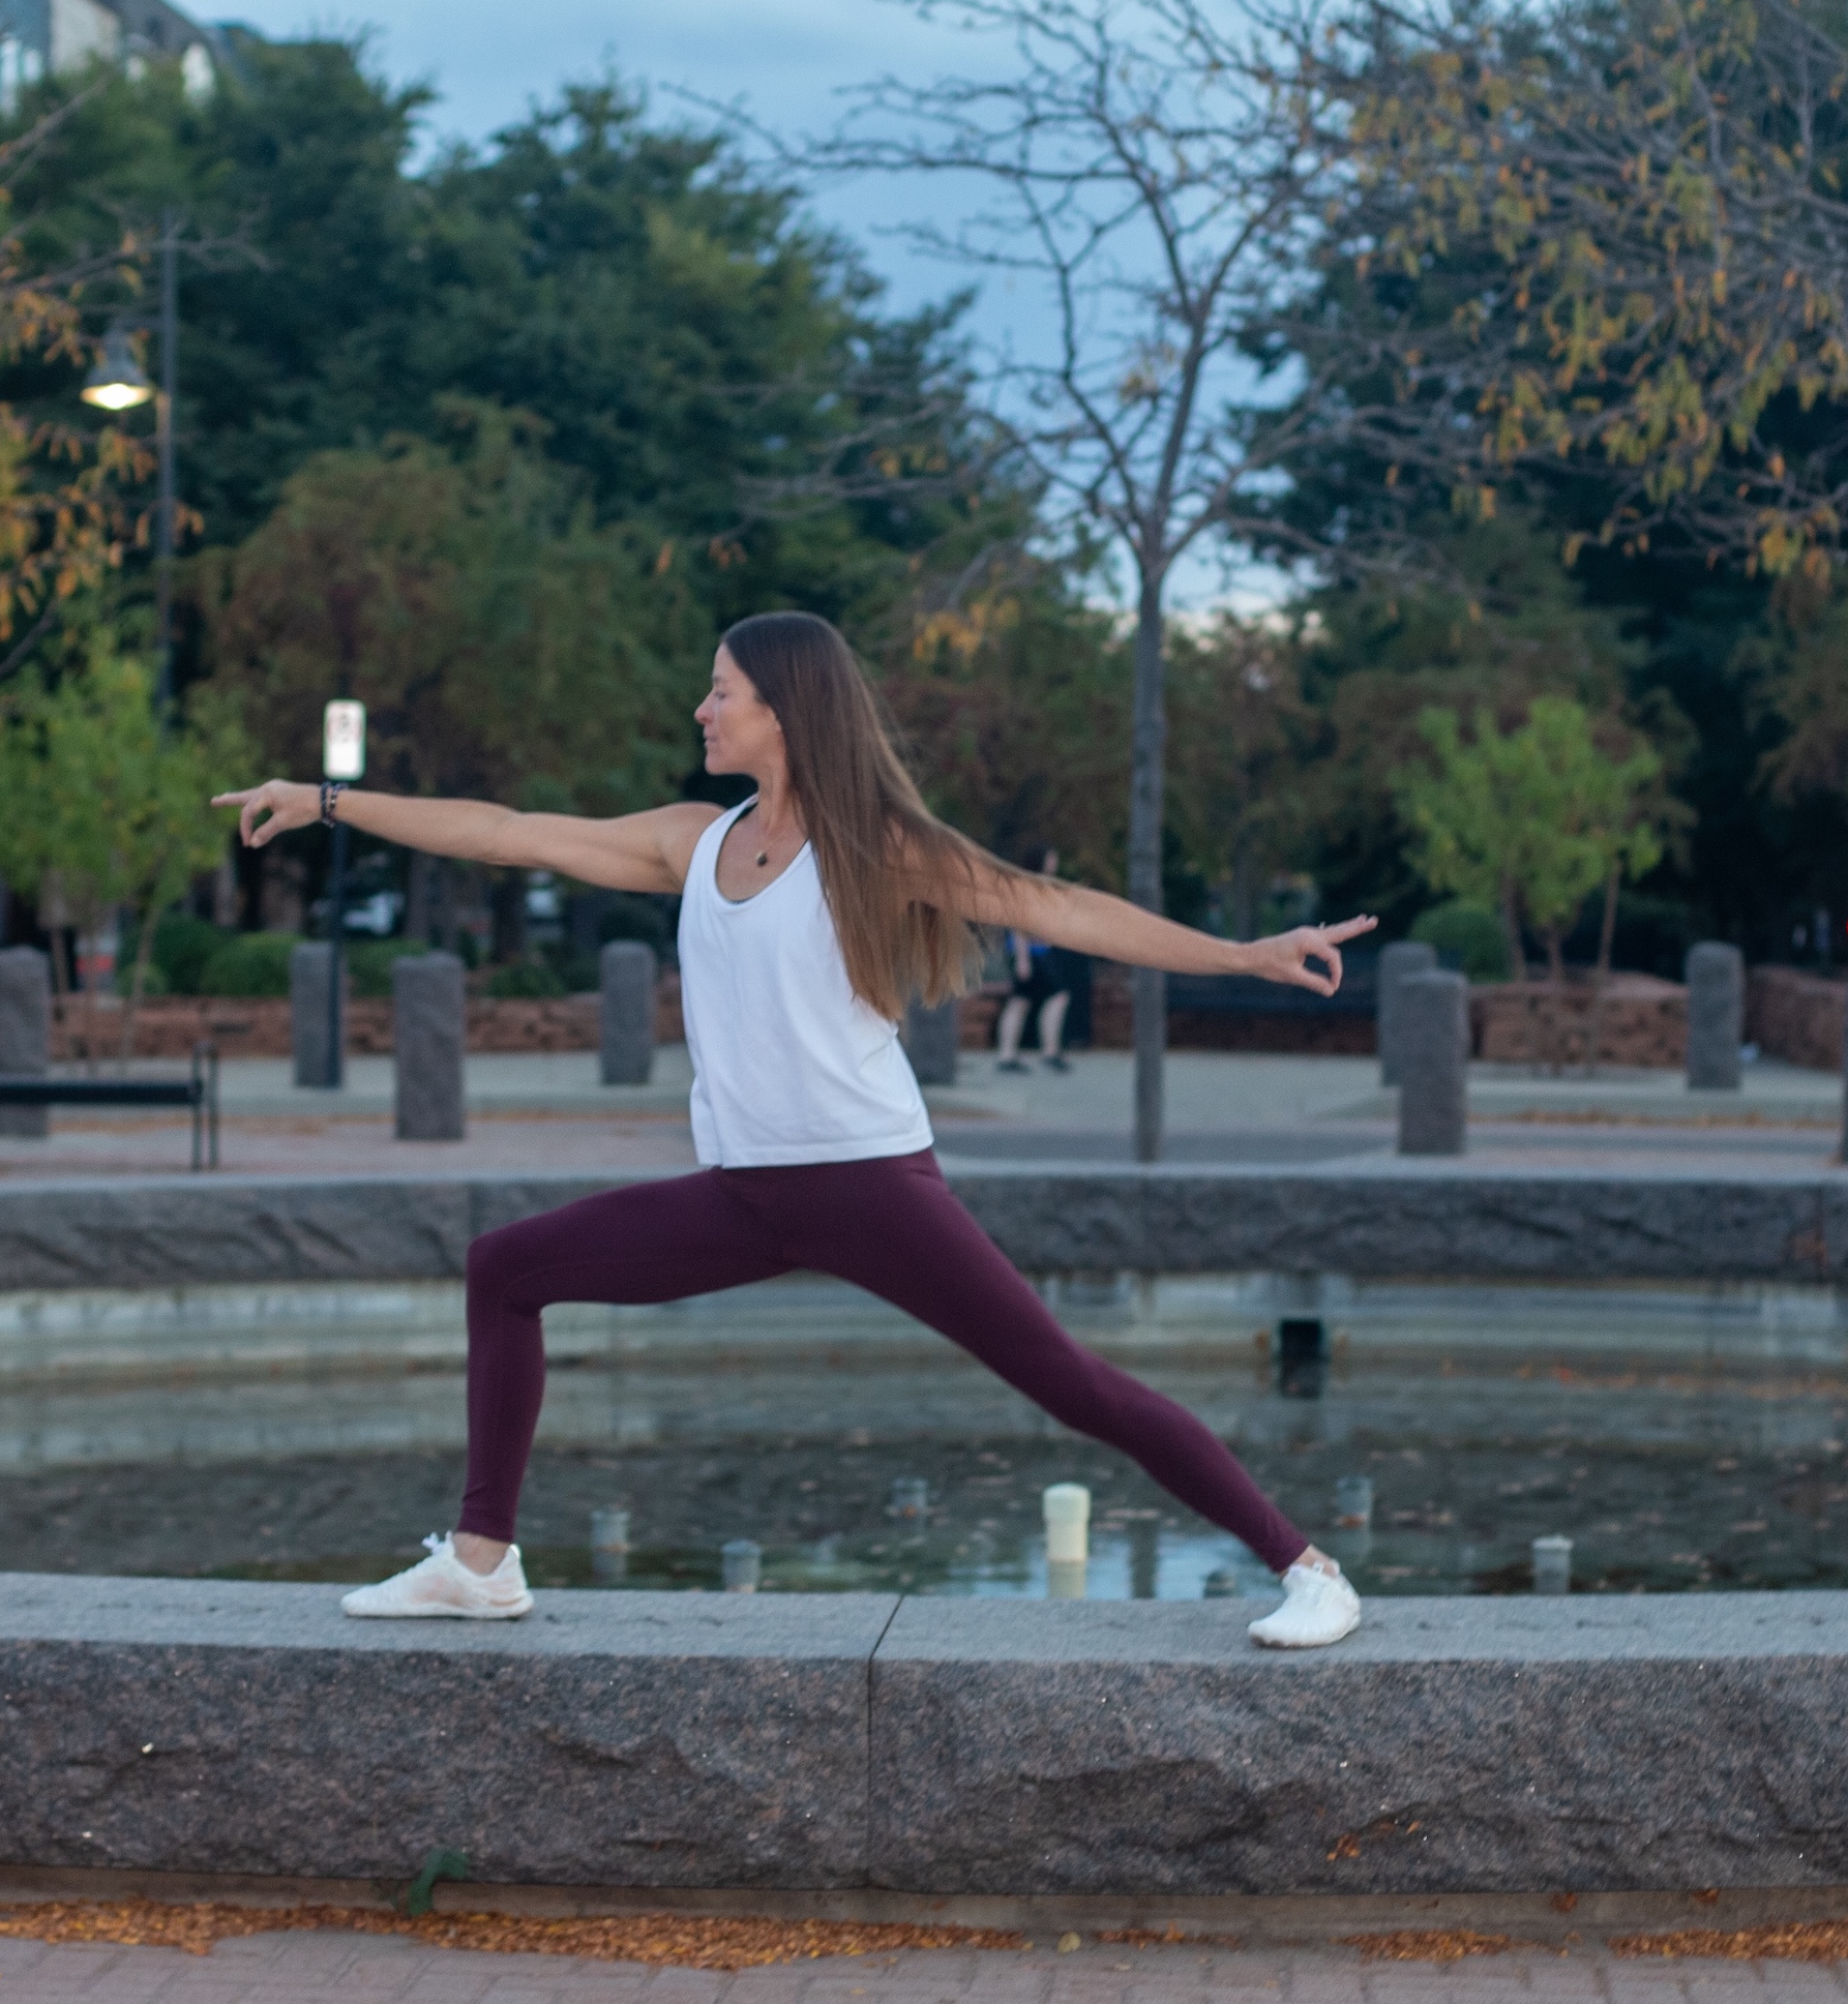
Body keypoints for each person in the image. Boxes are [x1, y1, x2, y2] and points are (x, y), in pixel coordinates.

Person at [213, 610, 1379, 1650]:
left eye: (722, 691)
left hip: (871, 1185)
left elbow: (1058, 908)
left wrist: (1241, 954)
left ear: (784, 711)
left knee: (1069, 1384)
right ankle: (479, 1565)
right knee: (505, 1269)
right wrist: (325, 801)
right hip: (744, 1195)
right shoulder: (693, 840)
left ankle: (1307, 1568)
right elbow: (506, 831)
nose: (701, 708)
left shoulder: (875, 845)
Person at [993, 851, 1091, 1071]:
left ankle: (1009, 1055)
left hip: (1034, 953)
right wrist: (1022, 959)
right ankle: (1047, 1051)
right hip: (1030, 954)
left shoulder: (1037, 886)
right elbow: (1018, 925)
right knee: (1056, 996)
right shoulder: (1029, 886)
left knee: (1021, 1001)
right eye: (1051, 858)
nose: (1055, 863)